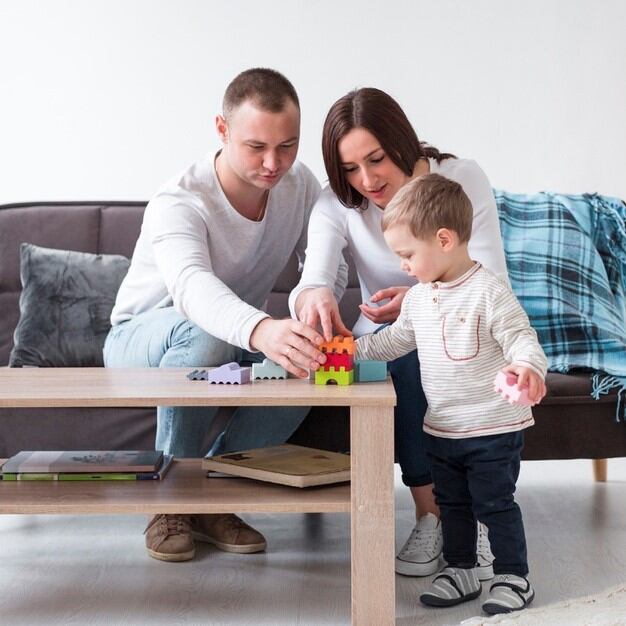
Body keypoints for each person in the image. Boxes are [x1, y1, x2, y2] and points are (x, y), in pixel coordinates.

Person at [105, 68, 347, 563]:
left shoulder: (299, 187)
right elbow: (193, 291)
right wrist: (262, 328)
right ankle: (170, 500)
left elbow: (326, 263)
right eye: (256, 146)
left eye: (287, 146)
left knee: (308, 364)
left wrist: (308, 306)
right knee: (203, 336)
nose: (273, 163)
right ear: (222, 130)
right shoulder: (180, 200)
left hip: (226, 336)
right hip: (142, 338)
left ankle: (215, 494)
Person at [289, 87, 507, 578]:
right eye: (349, 168)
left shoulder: (460, 179)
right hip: (392, 340)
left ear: (401, 142)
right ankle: (435, 514)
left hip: (467, 327)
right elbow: (312, 281)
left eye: (377, 159)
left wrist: (419, 301)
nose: (366, 180)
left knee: (420, 346)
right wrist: (315, 298)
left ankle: (476, 513)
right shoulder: (338, 205)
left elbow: (491, 277)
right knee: (400, 359)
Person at [356, 173, 547, 614]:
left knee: (494, 504)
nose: (403, 265)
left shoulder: (489, 291)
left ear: (444, 239)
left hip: (492, 427)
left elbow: (522, 339)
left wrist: (526, 368)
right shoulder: (421, 297)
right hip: (442, 428)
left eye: (407, 254)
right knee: (453, 505)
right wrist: (347, 353)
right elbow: (393, 341)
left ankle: (513, 576)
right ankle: (460, 569)